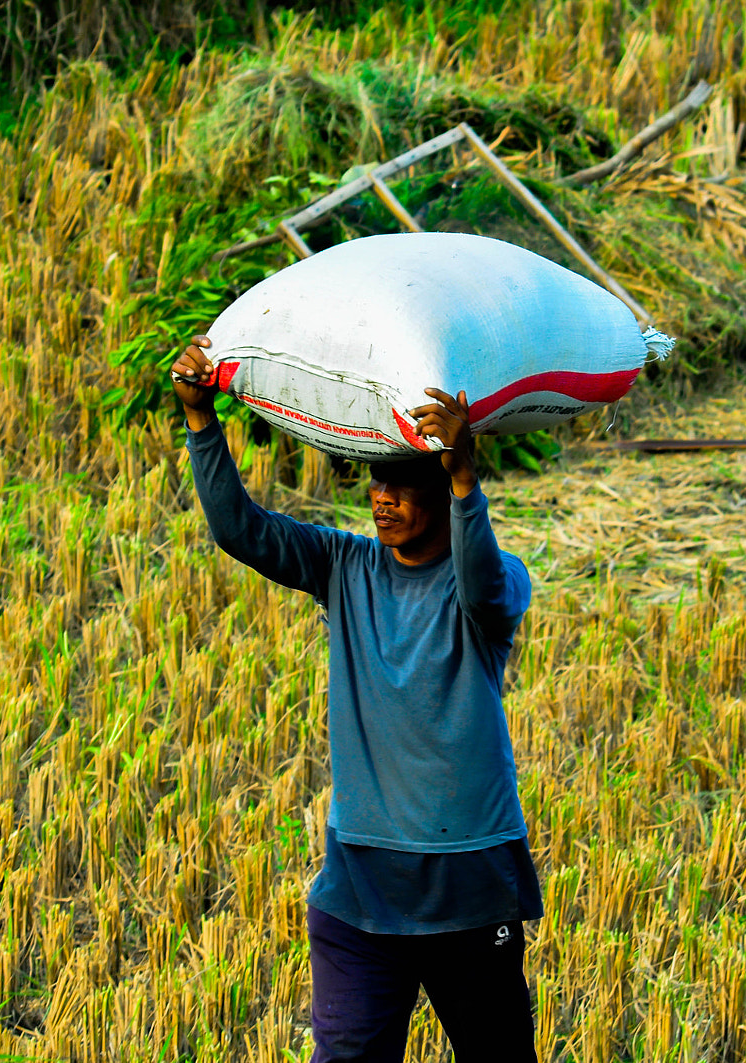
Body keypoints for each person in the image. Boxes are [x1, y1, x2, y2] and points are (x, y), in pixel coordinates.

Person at [172, 335, 542, 1062]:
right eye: (375, 482)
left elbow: (481, 579)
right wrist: (200, 420)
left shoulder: (497, 583)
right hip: (360, 890)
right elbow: (240, 530)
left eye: (404, 483)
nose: (383, 497)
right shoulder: (344, 565)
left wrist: (467, 479)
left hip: (468, 886)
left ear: (440, 487)